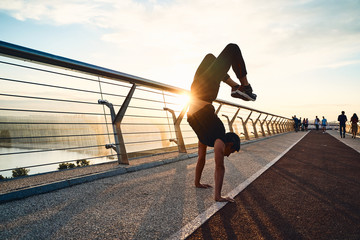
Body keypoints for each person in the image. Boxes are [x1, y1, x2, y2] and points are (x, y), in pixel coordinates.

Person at [187, 43, 257, 202]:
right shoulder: (219, 139)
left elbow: (201, 158)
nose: (228, 155)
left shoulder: (206, 135)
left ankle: (235, 87)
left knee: (211, 58)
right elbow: (220, 167)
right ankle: (244, 87)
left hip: (198, 92)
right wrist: (218, 196)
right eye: (231, 152)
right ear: (229, 144)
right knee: (232, 49)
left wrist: (197, 183)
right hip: (203, 93)